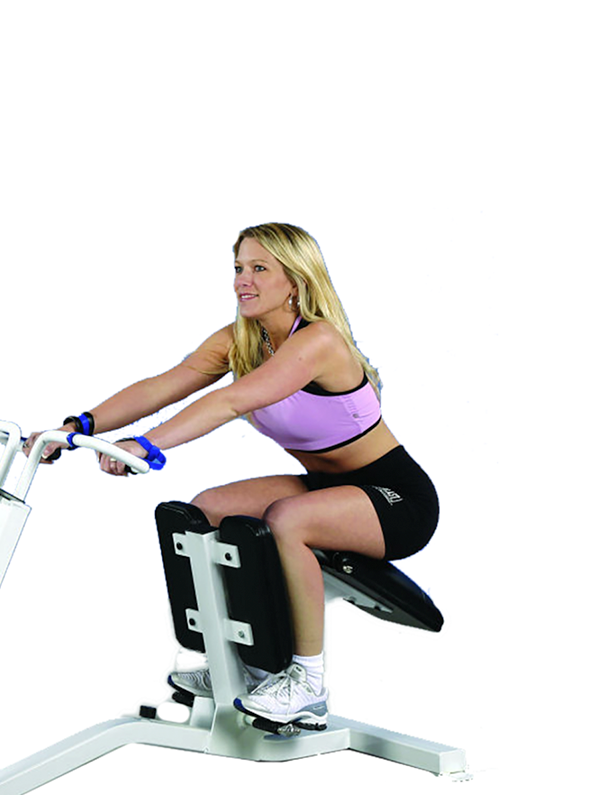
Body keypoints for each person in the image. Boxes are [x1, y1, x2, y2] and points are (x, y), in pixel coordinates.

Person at [25, 222, 439, 735]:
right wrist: (76, 427)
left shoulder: (318, 341)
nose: (244, 280)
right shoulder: (241, 340)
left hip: (396, 500)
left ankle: (308, 684)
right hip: (329, 489)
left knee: (288, 519)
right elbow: (162, 387)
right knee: (209, 509)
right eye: (239, 268)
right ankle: (242, 665)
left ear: (296, 280)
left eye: (260, 268)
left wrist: (147, 445)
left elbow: (231, 401)